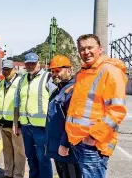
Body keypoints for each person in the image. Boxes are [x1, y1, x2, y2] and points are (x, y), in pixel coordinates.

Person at [65, 34, 128, 178]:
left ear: (100, 49)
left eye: (90, 48)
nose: (85, 52)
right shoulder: (84, 72)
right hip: (78, 140)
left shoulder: (110, 72)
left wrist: (93, 137)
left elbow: (117, 111)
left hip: (93, 144)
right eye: (82, 49)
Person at [13, 52, 56, 178]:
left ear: (39, 63)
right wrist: (16, 123)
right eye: (28, 64)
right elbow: (17, 102)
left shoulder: (48, 77)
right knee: (31, 159)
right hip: (26, 127)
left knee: (43, 160)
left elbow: (56, 100)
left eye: (33, 63)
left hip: (42, 128)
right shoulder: (22, 79)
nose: (31, 66)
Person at [45, 55, 82, 178]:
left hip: (68, 149)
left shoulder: (72, 90)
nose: (55, 74)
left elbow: (73, 120)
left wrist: (65, 144)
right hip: (57, 146)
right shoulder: (58, 91)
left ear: (69, 70)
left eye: (58, 71)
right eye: (53, 71)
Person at [0, 59, 26, 178]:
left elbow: (23, 103)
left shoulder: (21, 83)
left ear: (14, 69)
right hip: (3, 123)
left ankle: (17, 175)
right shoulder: (0, 84)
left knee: (19, 152)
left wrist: (20, 124)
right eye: (4, 69)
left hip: (16, 124)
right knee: (7, 151)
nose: (6, 72)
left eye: (8, 70)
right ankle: (8, 173)